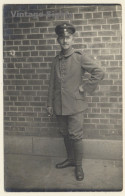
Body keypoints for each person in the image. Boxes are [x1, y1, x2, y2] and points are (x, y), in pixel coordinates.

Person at [47, 23, 104, 181]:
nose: (65, 40)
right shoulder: (55, 60)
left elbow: (99, 72)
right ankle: (70, 159)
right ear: (58, 40)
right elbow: (52, 83)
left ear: (72, 39)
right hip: (59, 105)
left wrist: (85, 88)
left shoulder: (79, 57)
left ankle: (78, 166)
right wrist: (49, 104)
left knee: (76, 136)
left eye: (68, 37)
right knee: (65, 133)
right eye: (62, 37)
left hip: (76, 106)